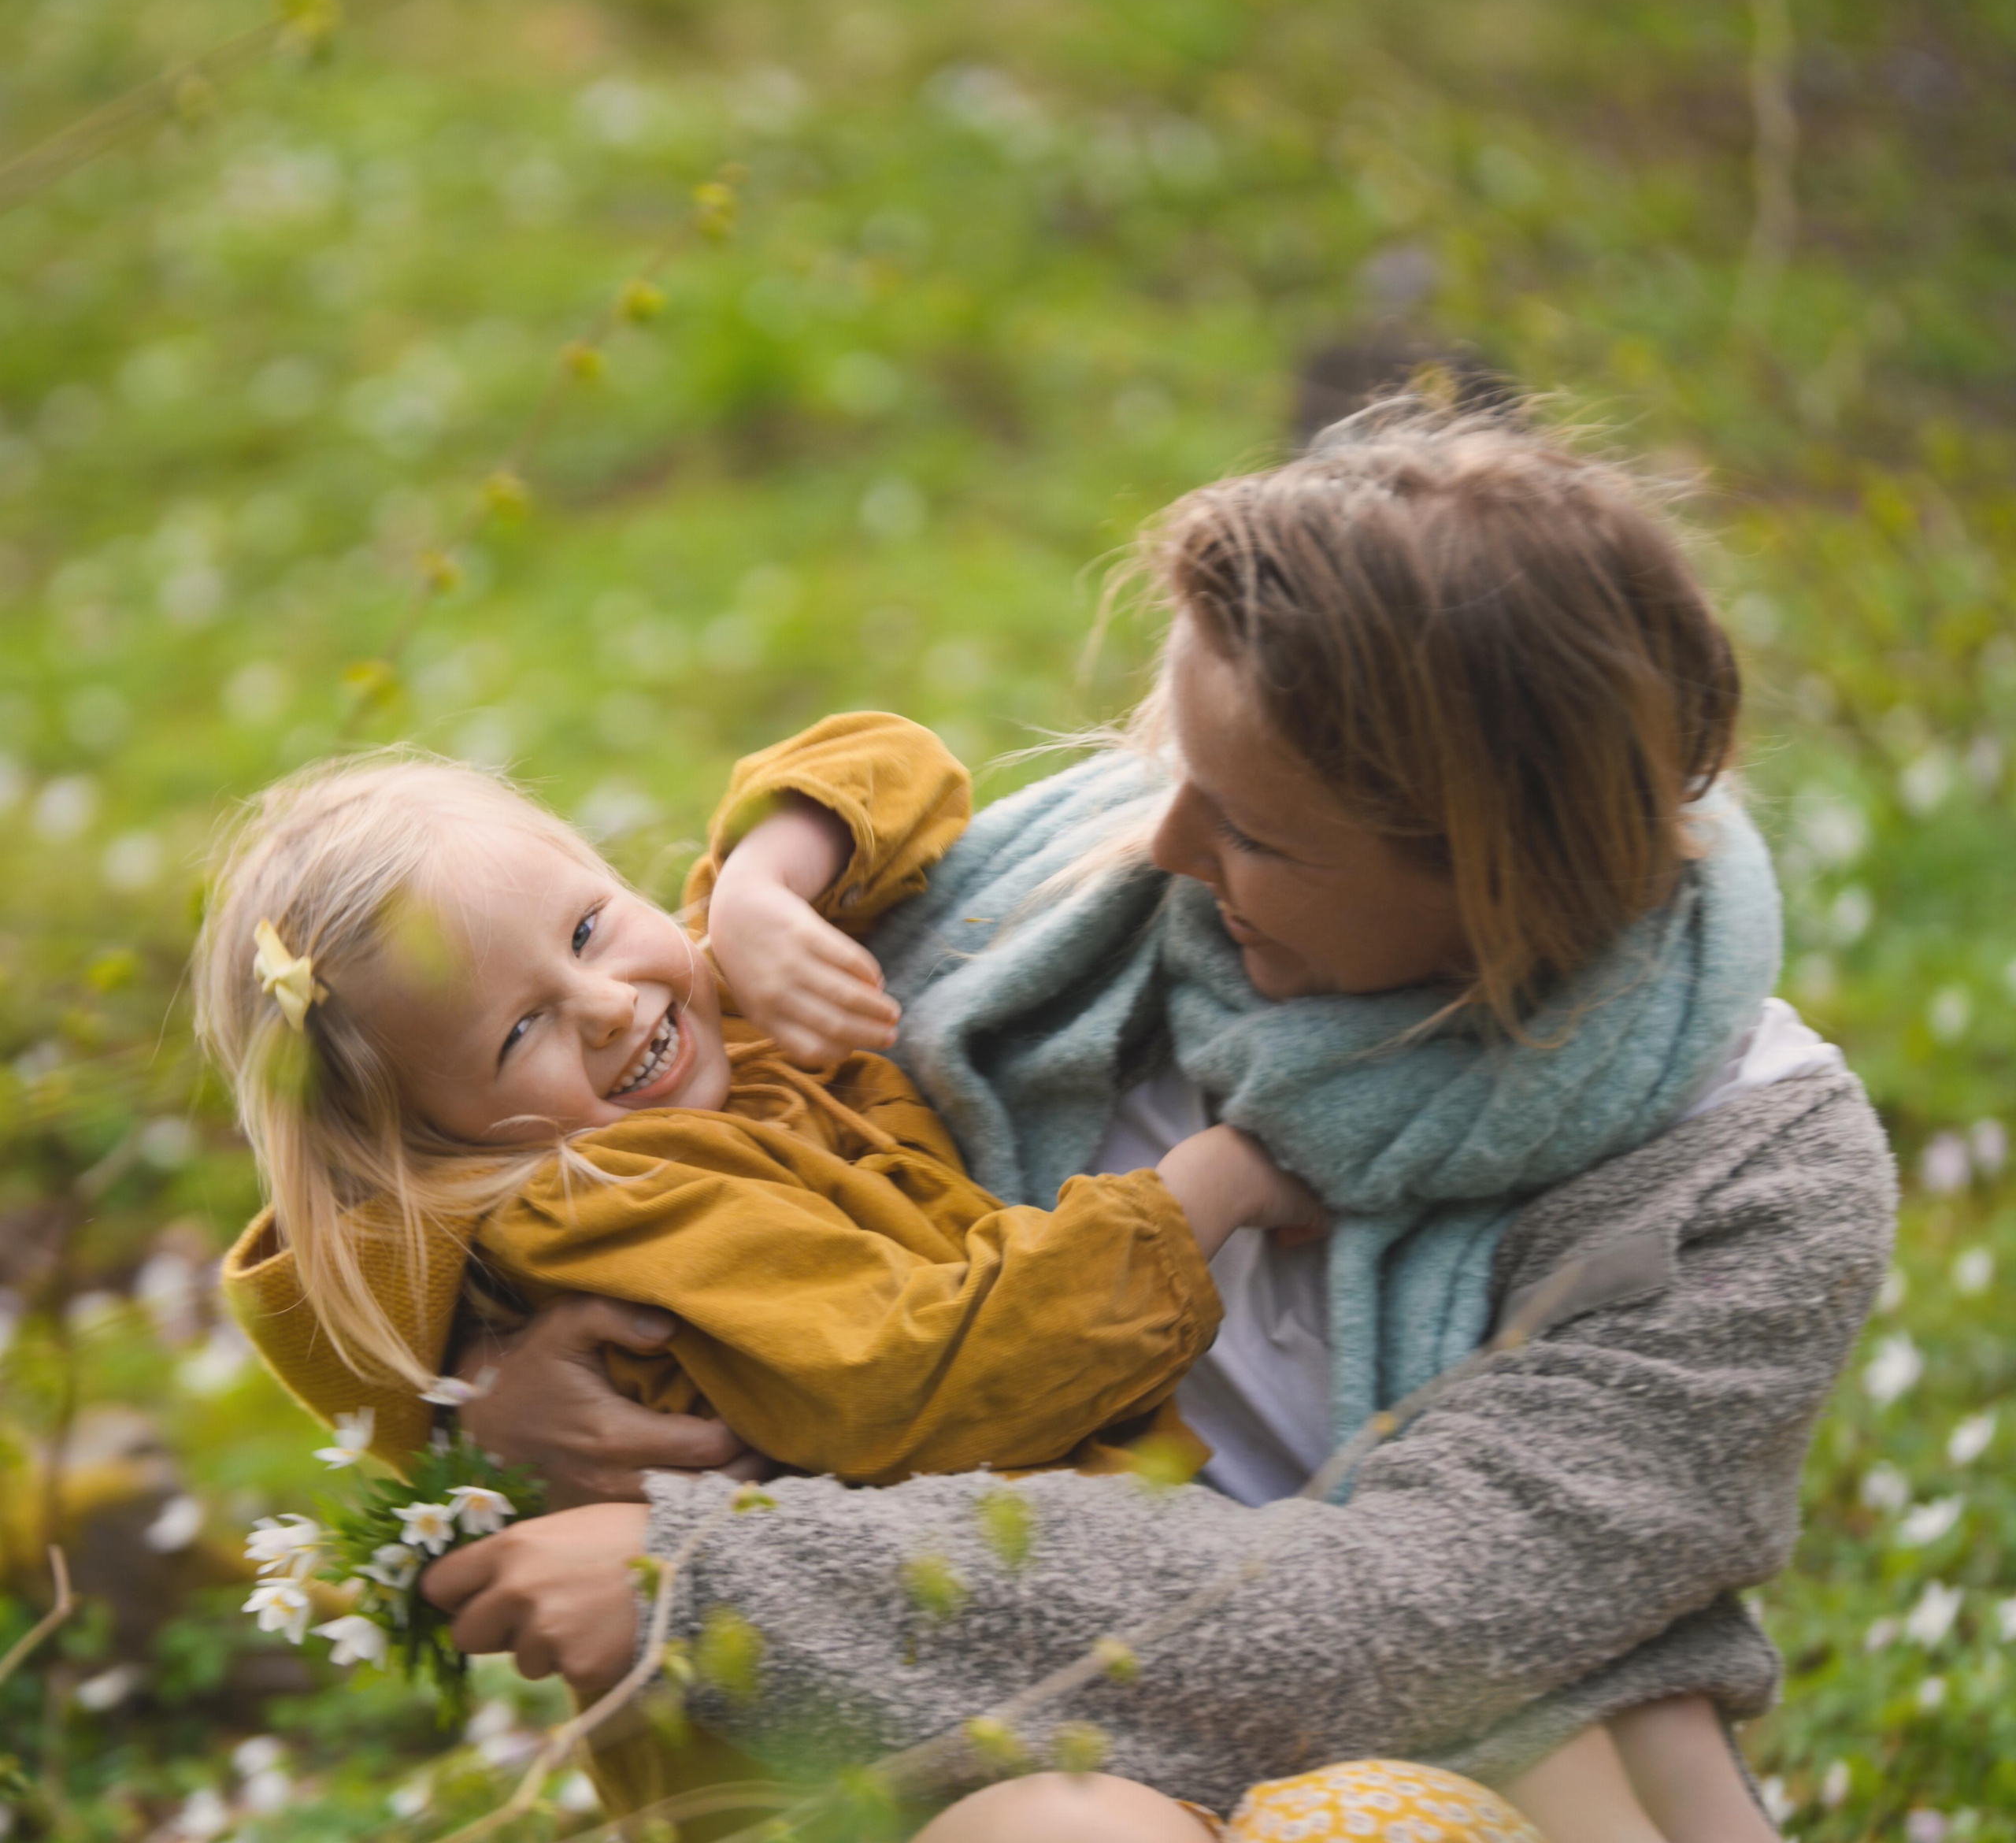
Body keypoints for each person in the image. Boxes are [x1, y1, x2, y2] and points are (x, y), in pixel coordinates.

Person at [419, 402, 1895, 1842]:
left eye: (1254, 828)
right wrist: (488, 1396)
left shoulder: (1746, 1170)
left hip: (1441, 1746)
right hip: (998, 1741)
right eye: (1171, 763)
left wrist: (722, 1578)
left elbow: (1406, 1614)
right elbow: (473, 1139)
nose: (1164, 843)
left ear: (1499, 878)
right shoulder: (1041, 937)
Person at [199, 715, 1326, 1484]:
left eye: (589, 925)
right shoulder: (607, 1201)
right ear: (440, 1143)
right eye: (516, 1032)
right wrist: (1207, 1188)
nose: (602, 1003)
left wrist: (756, 882)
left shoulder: (704, 992)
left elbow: (894, 759)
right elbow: (912, 1379)